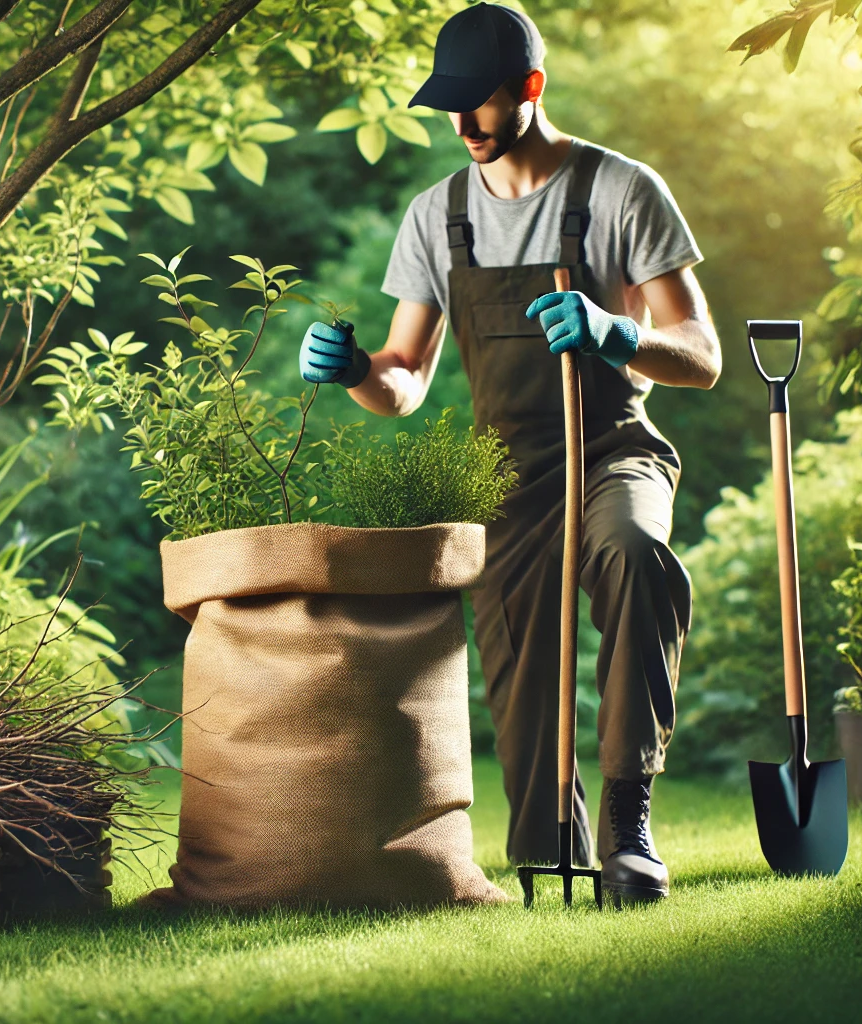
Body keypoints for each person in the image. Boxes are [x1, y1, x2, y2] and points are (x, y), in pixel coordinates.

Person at [298, 2, 721, 904]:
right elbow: (403, 382)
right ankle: (551, 844)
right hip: (508, 475)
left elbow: (704, 356)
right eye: (448, 106)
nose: (461, 125)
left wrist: (616, 333)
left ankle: (629, 823)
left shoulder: (621, 191)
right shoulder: (437, 214)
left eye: (479, 104)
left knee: (636, 553)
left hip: (612, 450)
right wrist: (356, 373)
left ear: (530, 88)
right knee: (525, 682)